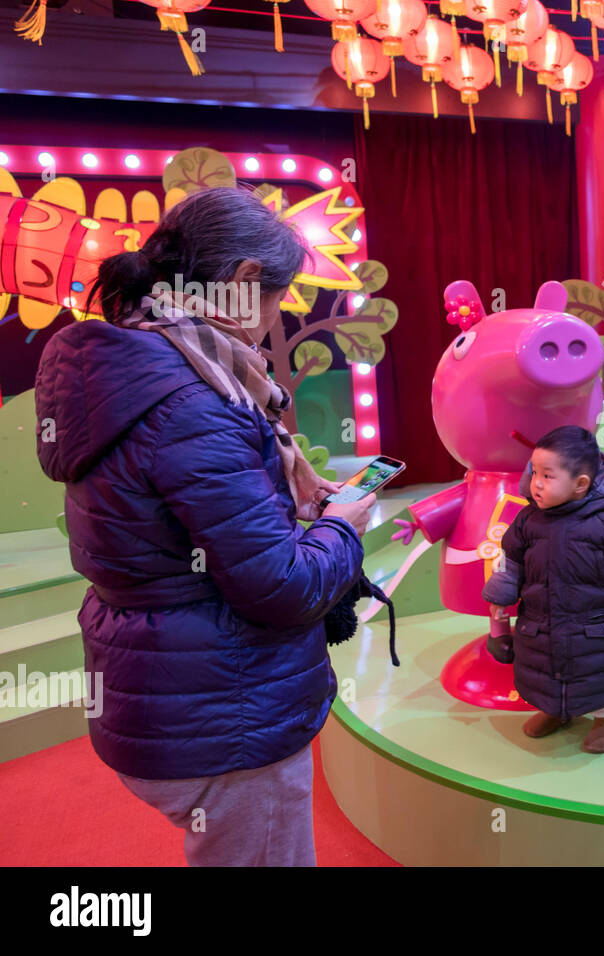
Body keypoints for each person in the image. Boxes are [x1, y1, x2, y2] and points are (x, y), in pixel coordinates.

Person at [34, 187, 375, 866]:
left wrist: (283, 506)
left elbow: (180, 526)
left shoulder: (129, 366)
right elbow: (282, 589)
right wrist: (344, 523)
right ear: (247, 282)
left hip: (162, 689)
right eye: (281, 298)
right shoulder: (196, 402)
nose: (273, 321)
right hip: (225, 710)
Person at [483, 425, 604, 754]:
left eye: (547, 476)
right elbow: (510, 561)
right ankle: (554, 709)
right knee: (544, 669)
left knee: (600, 674)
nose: (536, 482)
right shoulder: (527, 522)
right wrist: (500, 594)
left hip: (598, 626)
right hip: (541, 621)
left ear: (581, 485)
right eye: (534, 471)